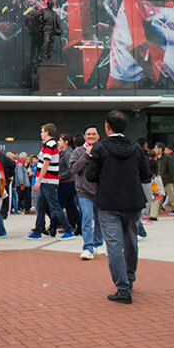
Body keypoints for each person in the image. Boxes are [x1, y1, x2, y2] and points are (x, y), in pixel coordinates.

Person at [85, 110, 151, 303]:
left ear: (107, 126)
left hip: (108, 202)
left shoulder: (100, 148)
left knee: (114, 245)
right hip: (132, 202)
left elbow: (90, 175)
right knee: (131, 241)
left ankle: (122, 288)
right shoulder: (136, 148)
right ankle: (129, 279)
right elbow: (146, 174)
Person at [27, 124, 73, 239]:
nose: (41, 133)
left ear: (47, 132)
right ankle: (38, 230)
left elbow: (46, 163)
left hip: (48, 181)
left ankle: (68, 230)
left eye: (42, 131)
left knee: (54, 206)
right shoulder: (50, 145)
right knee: (41, 206)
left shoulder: (49, 144)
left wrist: (38, 180)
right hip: (47, 181)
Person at [70, 124, 105, 259]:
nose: (91, 136)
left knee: (100, 220)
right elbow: (73, 169)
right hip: (84, 192)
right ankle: (88, 247)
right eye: (88, 134)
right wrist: (86, 155)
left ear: (98, 136)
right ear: (85, 137)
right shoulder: (78, 151)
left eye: (93, 134)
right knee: (86, 218)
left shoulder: (103, 150)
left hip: (100, 191)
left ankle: (98, 244)